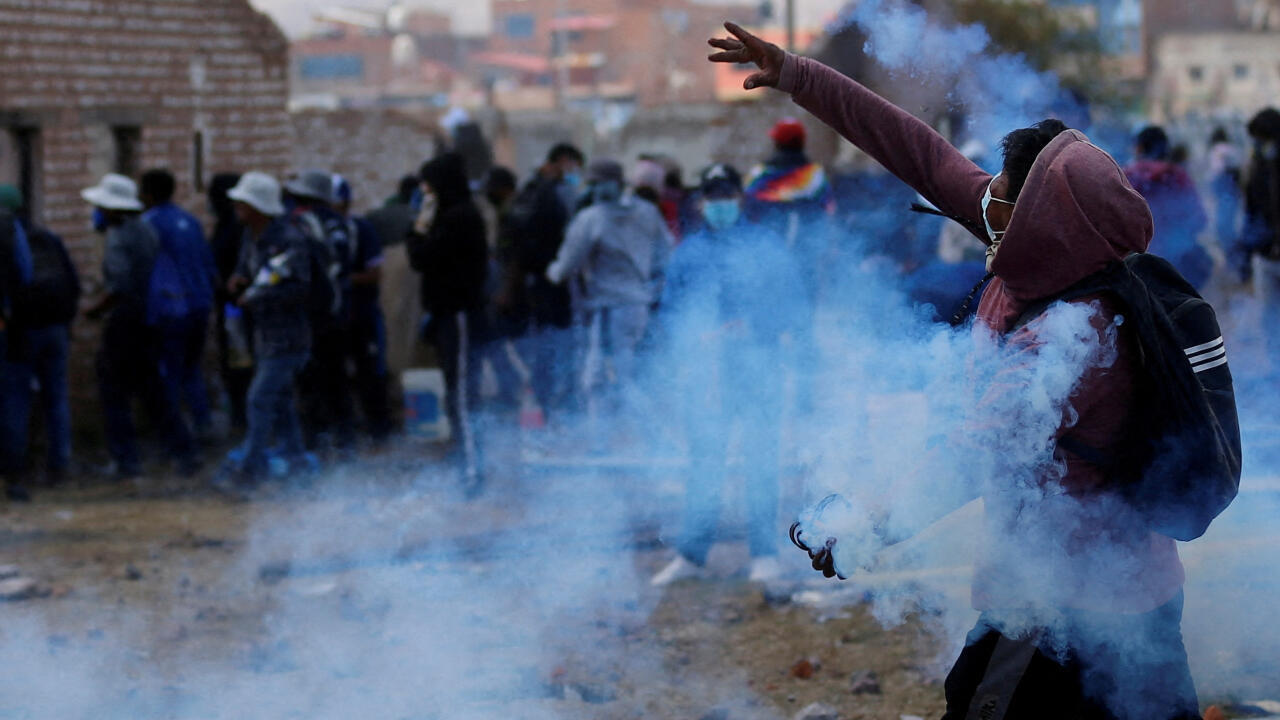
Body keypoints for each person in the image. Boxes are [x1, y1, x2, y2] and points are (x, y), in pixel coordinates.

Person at [708, 22, 1201, 719]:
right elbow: (919, 151)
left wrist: (864, 527)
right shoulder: (1061, 251)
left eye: (1001, 189)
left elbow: (969, 459)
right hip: (1132, 594)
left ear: (1040, 215)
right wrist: (797, 73)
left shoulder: (1076, 335)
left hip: (1062, 614)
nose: (982, 196)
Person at [651, 163, 805, 587]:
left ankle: (765, 554)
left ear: (740, 199)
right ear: (702, 202)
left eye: (727, 197)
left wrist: (754, 327)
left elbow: (793, 304)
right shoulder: (687, 253)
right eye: (712, 197)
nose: (720, 205)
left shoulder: (767, 247)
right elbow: (669, 311)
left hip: (760, 369)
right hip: (707, 374)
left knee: (760, 461)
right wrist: (690, 340)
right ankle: (691, 554)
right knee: (704, 462)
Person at [82, 173, 198, 479]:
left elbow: (118, 285)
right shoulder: (146, 229)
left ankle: (126, 460)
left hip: (125, 322)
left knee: (114, 392)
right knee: (153, 391)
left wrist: (94, 309)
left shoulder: (119, 237)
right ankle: (183, 451)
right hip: (150, 319)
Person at [545, 159, 672, 430]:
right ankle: (636, 437)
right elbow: (666, 255)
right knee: (627, 372)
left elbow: (565, 266)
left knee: (602, 376)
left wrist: (551, 272)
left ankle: (620, 437)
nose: (600, 188)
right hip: (638, 305)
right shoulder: (646, 211)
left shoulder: (591, 218)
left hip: (608, 308)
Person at [218, 172, 312, 486]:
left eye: (243, 202)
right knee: (281, 401)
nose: (236, 207)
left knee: (259, 398)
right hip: (264, 335)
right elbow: (248, 269)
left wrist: (258, 297)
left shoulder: (289, 240)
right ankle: (295, 458)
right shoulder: (251, 236)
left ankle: (252, 465)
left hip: (287, 337)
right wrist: (239, 280)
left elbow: (300, 288)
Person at [408, 152, 489, 494]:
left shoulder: (459, 217)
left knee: (461, 396)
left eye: (429, 185)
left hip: (460, 315)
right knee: (457, 393)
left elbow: (421, 257)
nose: (426, 192)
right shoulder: (452, 215)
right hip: (448, 313)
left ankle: (472, 471)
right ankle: (466, 462)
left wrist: (420, 227)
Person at [140, 169, 217, 441]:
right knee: (191, 369)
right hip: (200, 303)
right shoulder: (190, 221)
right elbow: (208, 264)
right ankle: (202, 423)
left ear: (147, 194)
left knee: (169, 372)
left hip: (173, 309)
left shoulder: (148, 223)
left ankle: (174, 435)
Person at [509, 143, 585, 413]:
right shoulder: (550, 192)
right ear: (563, 161)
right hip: (552, 282)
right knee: (556, 347)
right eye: (574, 165)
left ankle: (550, 405)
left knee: (546, 349)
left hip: (539, 281)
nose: (575, 173)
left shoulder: (531, 190)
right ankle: (559, 408)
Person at [285, 170, 356, 453]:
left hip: (311, 314)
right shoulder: (345, 224)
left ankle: (314, 442)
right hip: (341, 311)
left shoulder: (300, 221)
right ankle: (345, 441)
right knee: (337, 379)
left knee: (310, 381)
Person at [332, 174, 392, 442]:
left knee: (369, 371)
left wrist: (340, 281)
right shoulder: (318, 229)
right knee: (337, 375)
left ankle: (380, 429)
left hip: (362, 313)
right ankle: (345, 432)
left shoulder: (360, 229)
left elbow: (375, 272)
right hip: (335, 317)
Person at [0, 184, 49, 501]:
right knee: (13, 401)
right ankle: (15, 477)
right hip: (8, 327)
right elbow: (26, 273)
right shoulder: (9, 227)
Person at [1123, 126, 1211, 289]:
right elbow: (1200, 219)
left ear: (1139, 148)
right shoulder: (1178, 176)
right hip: (1177, 267)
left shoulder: (1125, 177)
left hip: (1134, 267)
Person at [208, 173, 252, 432]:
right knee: (236, 364)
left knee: (240, 365)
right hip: (231, 307)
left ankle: (244, 421)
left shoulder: (236, 229)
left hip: (238, 308)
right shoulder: (226, 226)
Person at [1242, 108, 1280, 377]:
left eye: (1263, 139)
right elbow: (1251, 210)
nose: (1258, 145)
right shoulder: (1256, 168)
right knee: (1269, 316)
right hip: (1266, 255)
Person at [1207, 128, 1242, 278]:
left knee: (1224, 229)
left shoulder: (1217, 150)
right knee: (1230, 228)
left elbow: (1216, 171)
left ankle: (1232, 264)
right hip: (1232, 194)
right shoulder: (1232, 150)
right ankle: (1235, 263)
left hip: (1224, 194)